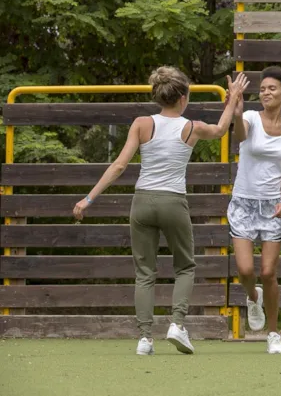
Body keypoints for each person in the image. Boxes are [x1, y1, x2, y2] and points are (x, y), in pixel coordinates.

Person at [73, 67, 247, 356]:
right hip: (173, 202)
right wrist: (233, 100)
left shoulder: (142, 123)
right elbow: (219, 130)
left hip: (142, 202)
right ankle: (177, 324)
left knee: (144, 273)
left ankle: (144, 339)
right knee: (186, 267)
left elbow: (118, 166)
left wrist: (87, 200)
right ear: (182, 97)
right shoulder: (191, 127)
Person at [229, 66, 281, 355]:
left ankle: (273, 333)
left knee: (269, 271)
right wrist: (236, 110)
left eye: (272, 88)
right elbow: (238, 137)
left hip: (274, 207)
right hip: (243, 203)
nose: (266, 92)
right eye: (262, 88)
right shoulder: (249, 118)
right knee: (246, 270)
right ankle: (252, 295)